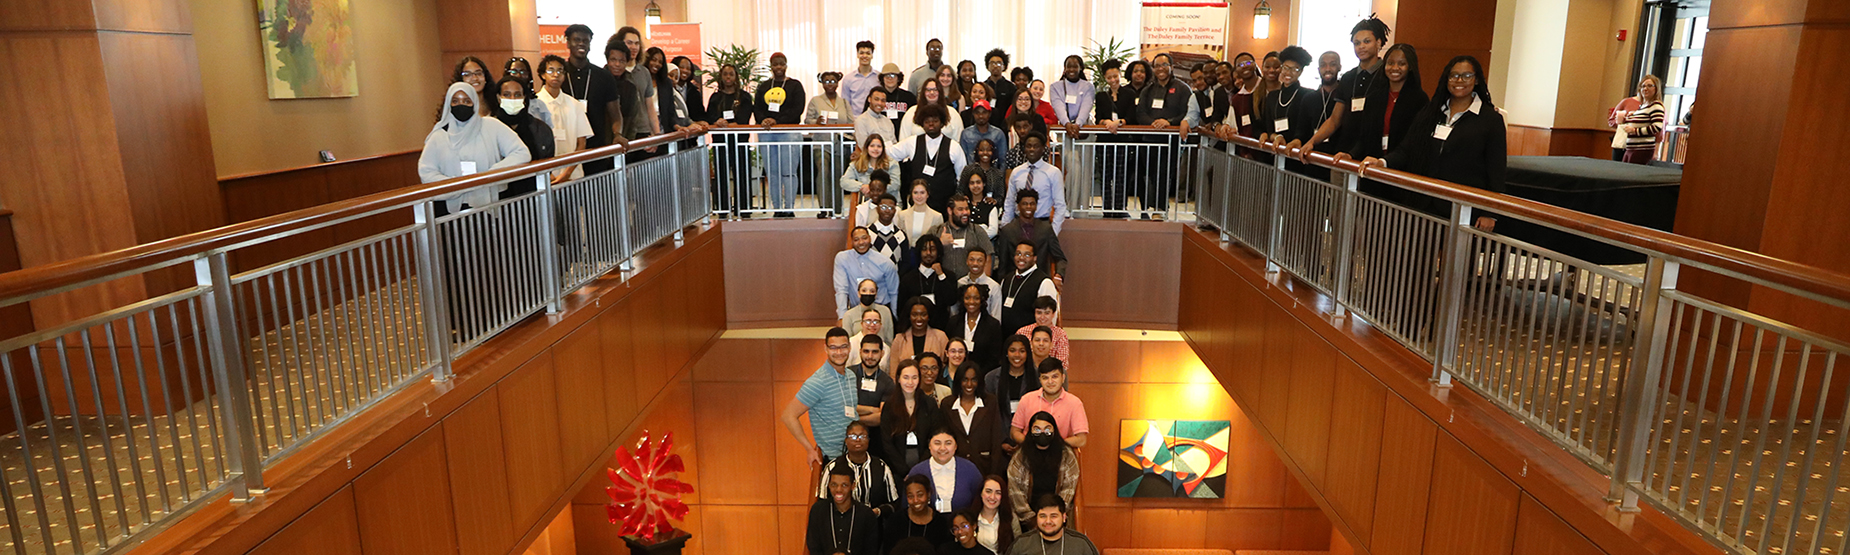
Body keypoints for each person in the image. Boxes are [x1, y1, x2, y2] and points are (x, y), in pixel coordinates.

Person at [1361, 55, 1508, 223]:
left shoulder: (1490, 119)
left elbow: (1496, 170)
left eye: (1467, 75)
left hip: (1464, 209)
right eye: (1453, 75)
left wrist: (1490, 213)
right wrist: (1382, 162)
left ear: (1476, 80)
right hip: (1424, 204)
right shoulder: (1430, 112)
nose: (1459, 80)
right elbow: (1407, 149)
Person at [419, 83, 532, 214]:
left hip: (491, 206)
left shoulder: (491, 126)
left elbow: (521, 153)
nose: (461, 105)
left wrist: (492, 173)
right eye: (455, 101)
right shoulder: (438, 136)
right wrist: (456, 186)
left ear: (475, 103)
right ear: (448, 105)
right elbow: (426, 171)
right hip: (452, 211)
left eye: (467, 101)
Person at [1298, 17, 1391, 162]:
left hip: (1374, 155)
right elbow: (1335, 119)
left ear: (1378, 43)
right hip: (1343, 153)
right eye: (1357, 43)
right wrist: (1312, 141)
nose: (1361, 47)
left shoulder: (1387, 75)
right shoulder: (1348, 77)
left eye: (1367, 41)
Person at [783, 328, 863, 466]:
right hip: (833, 459)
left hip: (854, 454)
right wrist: (809, 449)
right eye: (833, 348)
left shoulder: (851, 375)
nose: (839, 352)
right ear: (825, 348)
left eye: (843, 347)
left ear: (849, 347)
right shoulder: (817, 382)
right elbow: (788, 416)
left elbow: (846, 409)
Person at [1135, 53, 1196, 217]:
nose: (1160, 69)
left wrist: (1169, 122)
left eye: (1164, 65)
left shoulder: (1183, 89)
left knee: (1164, 174)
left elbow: (1187, 113)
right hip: (1149, 139)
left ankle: (1161, 209)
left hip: (1172, 141)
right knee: (1149, 175)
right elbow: (1140, 113)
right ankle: (1148, 209)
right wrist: (1154, 124)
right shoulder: (1148, 90)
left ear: (1171, 67)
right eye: (1157, 66)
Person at [558, 25, 623, 177]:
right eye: (576, 40)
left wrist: (617, 134)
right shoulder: (559, 76)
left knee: (596, 197)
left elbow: (615, 114)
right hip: (565, 148)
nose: (581, 44)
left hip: (596, 149)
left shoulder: (603, 76)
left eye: (585, 41)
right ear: (568, 43)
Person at [1006, 412, 1081, 531]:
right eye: (1037, 429)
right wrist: (1031, 519)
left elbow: (1069, 489)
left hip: (1057, 519)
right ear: (1030, 431)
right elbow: (1015, 490)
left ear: (1054, 430)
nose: (1042, 433)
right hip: (1027, 521)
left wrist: (1055, 516)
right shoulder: (1020, 456)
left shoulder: (1066, 455)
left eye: (1047, 429)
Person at [1257, 46, 1326, 174]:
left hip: (1297, 157)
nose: (1289, 73)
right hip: (1275, 154)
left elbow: (1307, 129)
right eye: (1286, 67)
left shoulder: (1308, 95)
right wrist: (1275, 136)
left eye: (1295, 69)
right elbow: (1268, 127)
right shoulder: (1272, 96)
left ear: (1300, 72)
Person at [755, 52, 807, 217]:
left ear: (786, 65)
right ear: (771, 66)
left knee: (789, 172)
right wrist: (765, 120)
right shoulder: (763, 86)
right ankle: (777, 208)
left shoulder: (795, 85)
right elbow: (757, 108)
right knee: (773, 173)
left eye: (781, 64)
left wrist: (777, 121)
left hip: (789, 133)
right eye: (775, 64)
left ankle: (789, 207)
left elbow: (798, 109)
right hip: (767, 134)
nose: (778, 67)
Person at [891, 106, 968, 214]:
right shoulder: (912, 142)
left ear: (942, 123)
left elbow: (962, 175)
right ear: (922, 124)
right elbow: (889, 154)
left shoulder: (954, 146)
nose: (931, 124)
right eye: (927, 121)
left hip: (945, 206)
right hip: (917, 205)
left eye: (935, 121)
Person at [816, 421, 902, 518]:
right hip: (840, 521)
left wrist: (876, 512)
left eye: (862, 436)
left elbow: (894, 503)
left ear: (869, 440)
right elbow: (821, 502)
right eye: (853, 437)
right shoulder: (832, 467)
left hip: (872, 522)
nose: (857, 440)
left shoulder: (881, 467)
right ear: (846, 440)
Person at [1100, 60, 1149, 218]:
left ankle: (1119, 208)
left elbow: (1131, 116)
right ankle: (1107, 209)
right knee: (1105, 176)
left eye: (1115, 76)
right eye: (1109, 77)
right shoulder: (1101, 95)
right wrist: (1106, 122)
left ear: (1120, 75)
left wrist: (1118, 122)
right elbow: (1098, 118)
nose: (1113, 80)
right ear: (1105, 78)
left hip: (1122, 140)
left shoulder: (1129, 94)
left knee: (1121, 175)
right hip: (1104, 141)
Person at [535, 55, 593, 183]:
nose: (556, 74)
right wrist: (548, 173)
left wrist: (567, 173)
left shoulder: (574, 104)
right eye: (551, 70)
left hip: (573, 174)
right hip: (544, 176)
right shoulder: (534, 104)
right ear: (543, 75)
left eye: (560, 71)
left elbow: (581, 143)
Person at [706, 63, 754, 213]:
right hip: (721, 142)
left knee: (742, 174)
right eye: (725, 74)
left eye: (731, 74)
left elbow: (745, 116)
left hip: (740, 141)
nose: (728, 77)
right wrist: (717, 121)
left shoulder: (745, 97)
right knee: (721, 175)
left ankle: (744, 209)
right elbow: (710, 115)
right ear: (721, 76)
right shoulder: (715, 97)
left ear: (736, 77)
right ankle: (722, 208)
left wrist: (735, 123)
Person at [1008, 360, 1088, 449]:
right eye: (1045, 378)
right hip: (1029, 453)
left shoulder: (1074, 403)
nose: (1050, 382)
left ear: (1063, 378)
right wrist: (1033, 443)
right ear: (1040, 380)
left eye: (1054, 377)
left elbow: (1081, 439)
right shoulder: (1027, 399)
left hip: (1061, 453)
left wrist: (1053, 444)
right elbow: (1014, 432)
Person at [941, 362, 1004, 474]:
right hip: (955, 468)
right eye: (965, 380)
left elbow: (996, 438)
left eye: (973, 380)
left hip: (984, 467)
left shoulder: (990, 402)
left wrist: (994, 473)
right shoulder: (947, 404)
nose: (969, 384)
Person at [993, 190, 1069, 281]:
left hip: (1040, 281)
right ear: (1018, 206)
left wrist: (1058, 276)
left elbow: (1060, 258)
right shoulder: (1007, 231)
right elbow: (1003, 265)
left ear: (1036, 206)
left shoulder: (1046, 229)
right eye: (1025, 204)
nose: (1028, 207)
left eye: (1032, 204)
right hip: (1015, 282)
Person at [999, 134, 1068, 234]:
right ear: (1024, 149)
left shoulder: (1053, 172)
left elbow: (1060, 206)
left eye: (1035, 146)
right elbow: (1009, 202)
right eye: (1029, 146)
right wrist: (1005, 228)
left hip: (1042, 223)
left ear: (1043, 149)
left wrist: (1053, 232)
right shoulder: (1016, 172)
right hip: (1019, 223)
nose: (1032, 149)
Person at [882, 360, 942, 470]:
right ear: (898, 378)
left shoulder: (929, 403)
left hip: (926, 464)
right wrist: (903, 470)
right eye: (906, 377)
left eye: (914, 377)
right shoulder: (889, 405)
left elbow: (935, 436)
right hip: (896, 467)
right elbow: (887, 443)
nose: (910, 382)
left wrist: (920, 467)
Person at [808, 463, 882, 555]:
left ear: (853, 486)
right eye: (834, 485)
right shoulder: (818, 510)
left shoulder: (865, 514)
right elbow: (813, 546)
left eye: (844, 485)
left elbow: (871, 550)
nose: (838, 490)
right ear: (829, 485)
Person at [907, 428, 983, 514]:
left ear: (955, 446)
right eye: (937, 443)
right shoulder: (917, 471)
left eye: (948, 443)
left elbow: (979, 501)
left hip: (962, 525)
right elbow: (907, 506)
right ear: (929, 446)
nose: (942, 448)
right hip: (927, 525)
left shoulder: (970, 469)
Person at [834, 226, 900, 316]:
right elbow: (841, 289)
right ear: (852, 242)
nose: (861, 242)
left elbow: (894, 292)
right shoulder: (843, 259)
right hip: (856, 310)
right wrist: (842, 316)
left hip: (881, 310)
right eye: (856, 239)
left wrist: (894, 316)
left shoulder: (885, 262)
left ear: (870, 239)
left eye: (864, 238)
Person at [930, 193, 995, 280]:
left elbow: (988, 258)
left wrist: (984, 283)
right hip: (943, 283)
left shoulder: (977, 231)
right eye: (960, 209)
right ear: (950, 211)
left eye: (967, 209)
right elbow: (925, 256)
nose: (965, 212)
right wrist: (939, 243)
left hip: (970, 285)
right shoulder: (936, 231)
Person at [1005, 495, 1097, 555]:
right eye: (1042, 516)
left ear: (1064, 517)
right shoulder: (1022, 544)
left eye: (1053, 516)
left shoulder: (1081, 544)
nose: (1048, 521)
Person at [885, 475, 954, 553]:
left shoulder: (942, 522)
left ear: (928, 494)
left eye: (920, 495)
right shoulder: (895, 520)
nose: (916, 500)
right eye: (910, 496)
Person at [605, 41, 650, 156]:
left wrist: (627, 143)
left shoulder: (630, 87)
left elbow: (633, 119)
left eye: (621, 61)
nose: (617, 64)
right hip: (601, 144)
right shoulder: (598, 81)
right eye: (613, 60)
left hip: (623, 144)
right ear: (607, 60)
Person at [899, 235, 956, 326]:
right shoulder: (907, 278)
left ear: (938, 252)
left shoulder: (948, 275)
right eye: (924, 249)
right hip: (914, 327)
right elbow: (902, 309)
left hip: (941, 327)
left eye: (932, 249)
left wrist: (941, 275)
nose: (928, 253)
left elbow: (951, 300)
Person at [617, 27, 662, 139]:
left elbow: (649, 105)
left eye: (636, 43)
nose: (633, 47)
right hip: (623, 132)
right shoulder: (614, 71)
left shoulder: (644, 72)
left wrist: (656, 134)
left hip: (643, 131)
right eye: (629, 43)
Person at [984, 335, 1037, 429]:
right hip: (999, 432)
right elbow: (988, 412)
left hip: (1029, 433)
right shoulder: (991, 378)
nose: (1017, 355)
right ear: (1006, 353)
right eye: (1012, 350)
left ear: (1027, 353)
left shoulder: (1037, 377)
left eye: (1022, 351)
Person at [950, 284, 1006, 371]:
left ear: (982, 300)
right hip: (956, 373)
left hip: (982, 375)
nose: (971, 302)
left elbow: (994, 358)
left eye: (976, 298)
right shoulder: (954, 322)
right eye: (967, 298)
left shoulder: (993, 325)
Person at [842, 135, 899, 210]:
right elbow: (844, 181)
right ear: (867, 148)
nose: (875, 149)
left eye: (879, 146)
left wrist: (874, 189)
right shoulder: (857, 164)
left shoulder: (892, 163)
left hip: (889, 205)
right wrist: (862, 186)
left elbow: (896, 184)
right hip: (866, 205)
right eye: (872, 146)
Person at [1617, 75, 1665, 164]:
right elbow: (1641, 121)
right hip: (1630, 147)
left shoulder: (1656, 106)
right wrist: (1627, 117)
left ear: (1656, 89)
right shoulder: (1642, 106)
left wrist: (1635, 131)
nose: (1645, 89)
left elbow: (1657, 127)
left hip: (1642, 149)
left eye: (1649, 86)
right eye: (1643, 86)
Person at [901, 78, 965, 143]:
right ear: (923, 92)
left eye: (935, 90)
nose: (932, 93)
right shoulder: (911, 112)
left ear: (940, 92)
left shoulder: (952, 113)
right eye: (928, 90)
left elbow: (958, 140)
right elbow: (903, 140)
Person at [891, 298, 950, 366]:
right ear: (909, 316)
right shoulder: (899, 339)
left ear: (929, 316)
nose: (919, 319)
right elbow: (893, 372)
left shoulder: (940, 337)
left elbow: (946, 367)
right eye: (914, 314)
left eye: (923, 314)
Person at [1049, 56, 1095, 136]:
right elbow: (1058, 107)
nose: (1071, 70)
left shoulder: (1088, 87)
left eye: (1075, 67)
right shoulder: (1055, 87)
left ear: (1080, 68)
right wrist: (1067, 124)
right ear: (1065, 68)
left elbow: (1086, 107)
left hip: (1084, 129)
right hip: (1064, 129)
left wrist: (1078, 124)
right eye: (1069, 66)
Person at [1014, 298, 1068, 366]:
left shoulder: (1060, 335)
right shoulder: (1022, 332)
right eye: (1039, 313)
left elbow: (1062, 364)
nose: (1042, 317)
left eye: (1047, 313)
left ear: (1053, 314)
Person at [842, 278, 897, 343]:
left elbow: (889, 339)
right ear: (858, 293)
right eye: (864, 290)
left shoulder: (885, 311)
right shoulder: (849, 314)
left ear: (876, 295)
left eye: (872, 291)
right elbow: (847, 341)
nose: (868, 293)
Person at [958, 250, 1004, 320]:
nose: (975, 263)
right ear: (966, 261)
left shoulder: (994, 286)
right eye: (971, 260)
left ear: (985, 263)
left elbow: (996, 315)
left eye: (980, 260)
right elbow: (955, 311)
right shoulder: (960, 283)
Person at [976, 476, 1014, 553]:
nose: (992, 497)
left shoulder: (1011, 518)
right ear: (981, 493)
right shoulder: (970, 517)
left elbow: (1017, 547)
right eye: (988, 491)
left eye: (998, 493)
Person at [869, 194, 910, 265]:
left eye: (891, 208)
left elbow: (905, 262)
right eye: (883, 207)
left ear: (895, 210)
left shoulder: (901, 235)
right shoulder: (867, 233)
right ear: (877, 209)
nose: (887, 211)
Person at [982, 50, 1017, 128]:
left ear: (1004, 67)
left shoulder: (1011, 87)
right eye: (992, 63)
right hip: (985, 124)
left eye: (998, 63)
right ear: (987, 66)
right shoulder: (983, 86)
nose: (995, 66)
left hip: (1005, 125)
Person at [877, 63, 918, 131]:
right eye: (887, 75)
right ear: (882, 78)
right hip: (881, 134)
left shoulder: (909, 97)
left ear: (898, 78)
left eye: (893, 75)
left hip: (903, 134)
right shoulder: (876, 97)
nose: (890, 78)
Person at [846, 40, 881, 114]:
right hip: (855, 119)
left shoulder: (879, 78)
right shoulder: (848, 79)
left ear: (872, 56)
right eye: (861, 53)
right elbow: (846, 104)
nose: (864, 56)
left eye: (868, 53)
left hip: (875, 118)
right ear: (857, 55)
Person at [670, 56, 706, 123]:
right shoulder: (667, 89)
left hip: (693, 129)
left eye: (688, 69)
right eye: (682, 67)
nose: (685, 70)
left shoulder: (694, 91)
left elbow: (701, 115)